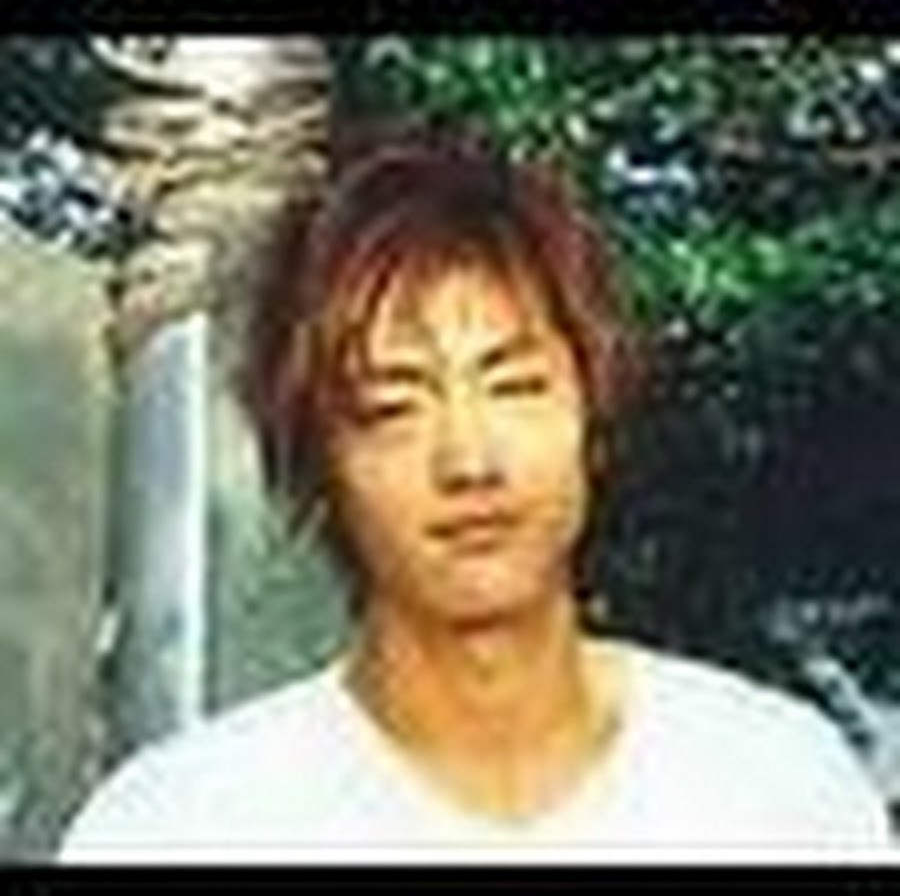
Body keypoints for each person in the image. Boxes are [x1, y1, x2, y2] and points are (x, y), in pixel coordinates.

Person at [59, 125, 893, 864]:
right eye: (392, 406)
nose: (469, 461)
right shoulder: (177, 827)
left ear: (593, 411)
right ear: (320, 458)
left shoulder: (782, 790)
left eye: (515, 385)